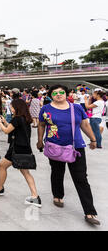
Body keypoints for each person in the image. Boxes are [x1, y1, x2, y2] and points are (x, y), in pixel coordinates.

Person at [37, 85, 100, 225]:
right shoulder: (46, 109)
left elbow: (84, 125)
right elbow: (41, 124)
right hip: (54, 147)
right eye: (55, 93)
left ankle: (89, 211)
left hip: (75, 147)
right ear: (50, 95)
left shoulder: (76, 108)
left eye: (61, 92)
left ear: (66, 94)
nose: (58, 95)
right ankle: (58, 195)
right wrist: (39, 140)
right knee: (57, 172)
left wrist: (93, 139)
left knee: (81, 178)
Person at [0, 99, 41, 207]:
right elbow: (13, 128)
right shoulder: (25, 118)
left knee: (2, 166)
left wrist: (0, 122)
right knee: (25, 173)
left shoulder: (17, 118)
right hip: (25, 148)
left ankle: (0, 188)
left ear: (17, 108)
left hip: (16, 149)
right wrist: (5, 122)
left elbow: (6, 131)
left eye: (12, 107)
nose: (11, 108)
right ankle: (35, 196)